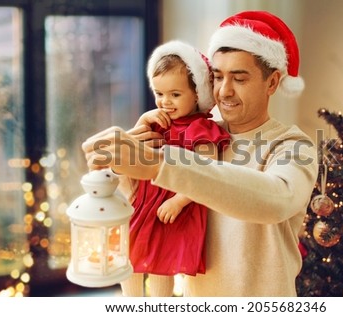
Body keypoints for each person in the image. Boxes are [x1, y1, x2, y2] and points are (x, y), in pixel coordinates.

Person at [82, 11, 318, 296]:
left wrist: (160, 165)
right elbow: (136, 201)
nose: (224, 91)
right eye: (218, 77)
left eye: (239, 79)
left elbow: (274, 199)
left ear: (272, 82)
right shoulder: (189, 137)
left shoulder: (292, 145)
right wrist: (122, 161)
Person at [117, 40, 230, 297]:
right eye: (159, 94)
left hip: (172, 207)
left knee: (161, 263)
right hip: (144, 202)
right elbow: (131, 150)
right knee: (128, 257)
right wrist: (142, 121)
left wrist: (179, 201)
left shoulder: (201, 130)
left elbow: (207, 173)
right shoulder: (158, 121)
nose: (165, 102)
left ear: (197, 94)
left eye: (175, 94)